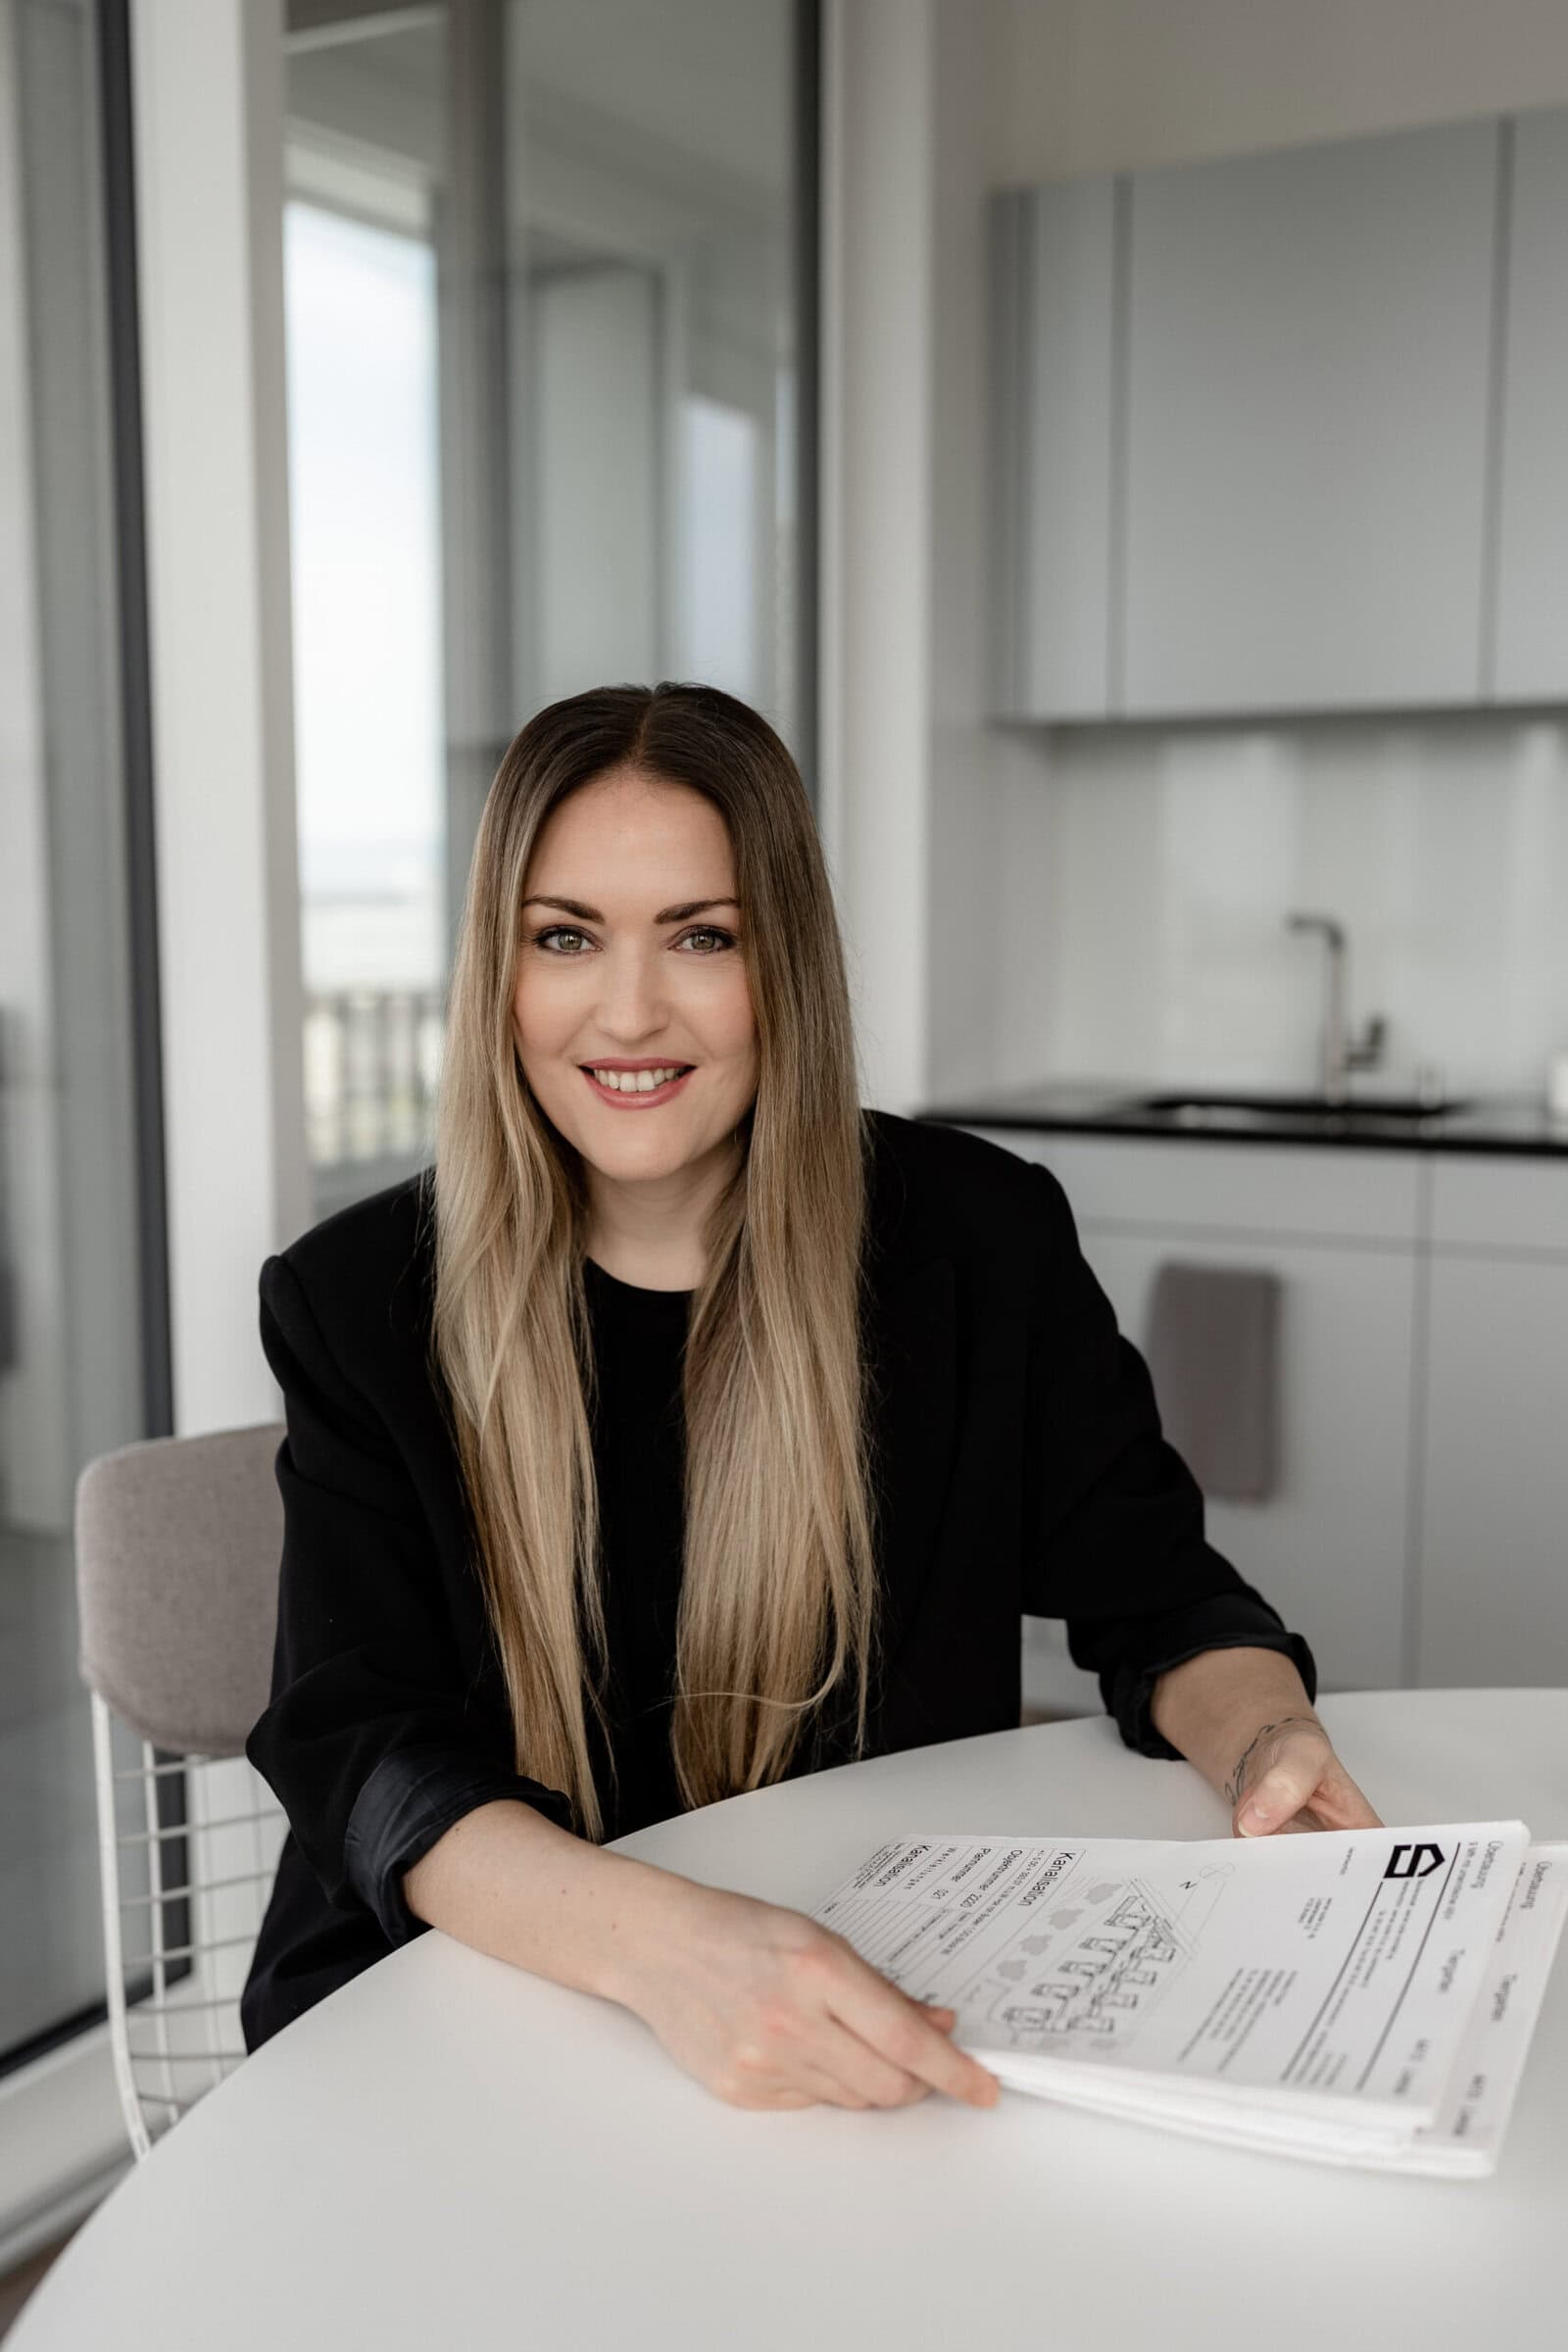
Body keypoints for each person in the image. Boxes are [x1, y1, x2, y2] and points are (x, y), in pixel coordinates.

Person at [241, 679, 1382, 2112]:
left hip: (848, 1990)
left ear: (783, 958)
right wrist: (671, 1955)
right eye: (566, 937)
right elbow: (368, 1753)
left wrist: (1269, 1738)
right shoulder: (354, 1301)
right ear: (502, 971)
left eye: (701, 937)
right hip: (460, 2013)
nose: (629, 1011)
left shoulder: (977, 1239)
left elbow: (1163, 1598)